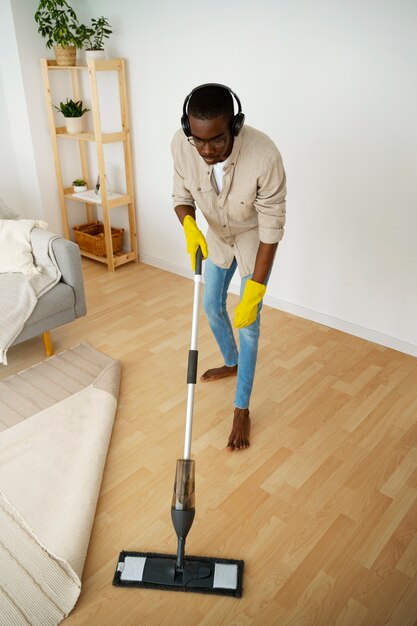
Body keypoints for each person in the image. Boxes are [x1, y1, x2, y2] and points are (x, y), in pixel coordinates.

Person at [171, 83, 286, 452]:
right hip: (217, 235)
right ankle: (232, 361)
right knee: (210, 306)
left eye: (217, 141)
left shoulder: (264, 156)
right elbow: (181, 197)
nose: (206, 150)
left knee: (249, 323)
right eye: (198, 140)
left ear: (235, 126)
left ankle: (241, 408)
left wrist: (256, 290)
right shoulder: (182, 145)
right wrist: (189, 224)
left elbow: (271, 228)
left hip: (253, 236)